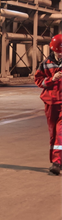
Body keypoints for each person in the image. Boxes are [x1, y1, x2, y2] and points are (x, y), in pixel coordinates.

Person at [34, 34, 62, 175]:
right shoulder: (46, 63)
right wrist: (52, 79)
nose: (59, 54)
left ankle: (57, 161)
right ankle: (56, 162)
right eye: (57, 52)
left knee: (60, 132)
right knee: (53, 133)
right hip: (51, 102)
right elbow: (38, 80)